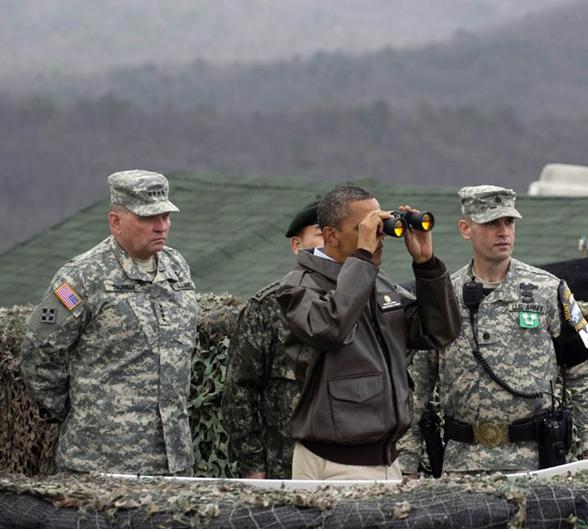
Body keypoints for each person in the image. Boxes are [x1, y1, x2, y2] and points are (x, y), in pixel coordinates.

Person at [402, 185, 588, 474]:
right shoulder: (442, 296)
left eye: (509, 222)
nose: (504, 232)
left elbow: (585, 377)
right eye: (491, 223)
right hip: (462, 465)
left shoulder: (548, 290)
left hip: (536, 463)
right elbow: (417, 388)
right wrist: (406, 465)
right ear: (466, 229)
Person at [276, 185, 460, 480]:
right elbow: (330, 328)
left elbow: (440, 331)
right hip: (333, 462)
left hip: (385, 458)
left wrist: (426, 265)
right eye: (366, 228)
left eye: (379, 225)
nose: (377, 235)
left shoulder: (377, 281)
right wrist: (362, 257)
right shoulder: (298, 286)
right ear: (331, 236)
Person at [20, 170, 198, 475]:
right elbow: (39, 353)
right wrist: (81, 412)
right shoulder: (81, 277)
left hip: (173, 461)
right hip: (100, 463)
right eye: (149, 218)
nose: (161, 226)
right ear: (116, 222)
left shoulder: (176, 267)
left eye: (166, 216)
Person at [221, 200, 324, 479]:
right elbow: (239, 390)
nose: (329, 242)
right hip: (283, 468)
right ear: (296, 245)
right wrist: (252, 464)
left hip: (348, 464)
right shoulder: (268, 308)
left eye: (335, 233)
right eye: (319, 233)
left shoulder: (360, 300)